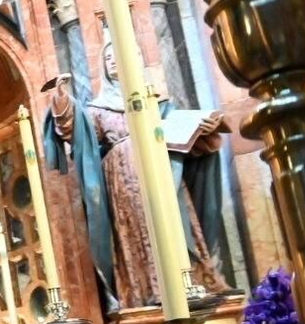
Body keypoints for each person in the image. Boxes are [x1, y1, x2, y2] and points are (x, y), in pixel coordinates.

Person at [45, 42, 225, 309]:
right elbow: (80, 136)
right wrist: (63, 101)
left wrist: (205, 129)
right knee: (137, 228)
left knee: (173, 221)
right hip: (122, 179)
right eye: (107, 57)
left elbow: (185, 138)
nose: (113, 60)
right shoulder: (98, 108)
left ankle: (189, 282)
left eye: (117, 53)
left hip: (163, 173)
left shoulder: (159, 104)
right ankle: (146, 290)